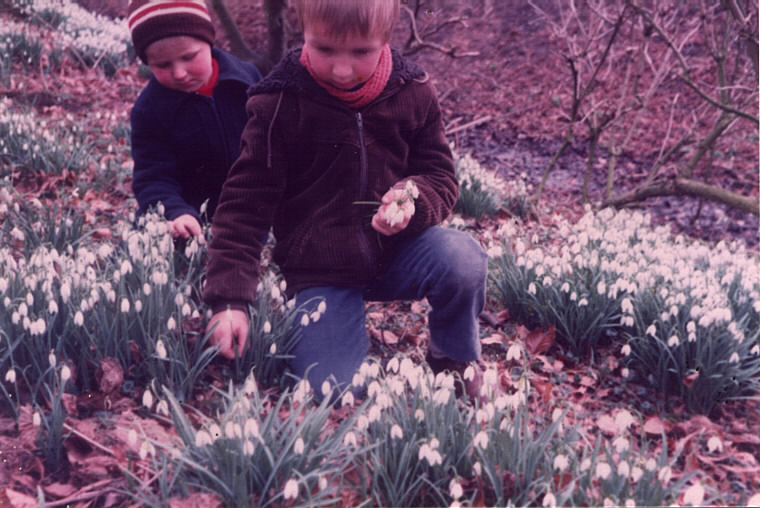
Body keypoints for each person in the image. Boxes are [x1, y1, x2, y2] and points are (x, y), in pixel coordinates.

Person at [203, 0, 491, 400]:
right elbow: (243, 205)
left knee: (462, 258)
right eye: (323, 49)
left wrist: (412, 201)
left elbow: (440, 176)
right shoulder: (279, 103)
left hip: (398, 251)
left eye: (361, 52)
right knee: (328, 393)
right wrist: (229, 298)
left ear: (386, 39)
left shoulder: (414, 92)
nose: (341, 70)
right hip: (322, 269)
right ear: (300, 29)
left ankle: (453, 361)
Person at [127, 0, 262, 240]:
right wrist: (175, 212)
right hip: (186, 219)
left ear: (208, 42)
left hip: (249, 210)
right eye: (162, 65)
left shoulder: (247, 80)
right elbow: (153, 176)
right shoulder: (149, 110)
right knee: (142, 253)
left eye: (188, 57)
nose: (179, 73)